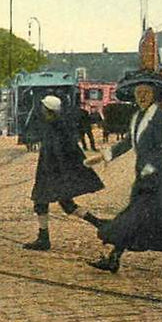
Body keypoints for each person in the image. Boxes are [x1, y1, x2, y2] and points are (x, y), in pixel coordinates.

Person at [84, 71, 162, 278]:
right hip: (146, 179)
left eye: (146, 92)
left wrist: (150, 168)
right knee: (157, 218)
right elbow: (128, 143)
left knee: (143, 218)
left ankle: (113, 259)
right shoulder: (137, 117)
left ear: (154, 95)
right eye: (138, 92)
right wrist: (102, 157)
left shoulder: (159, 117)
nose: (142, 96)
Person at [23, 95, 106, 251]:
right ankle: (98, 223)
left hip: (50, 172)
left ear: (48, 110)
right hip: (54, 172)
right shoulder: (59, 124)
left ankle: (43, 238)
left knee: (41, 201)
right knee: (67, 204)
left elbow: (58, 152)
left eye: (43, 107)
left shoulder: (54, 127)